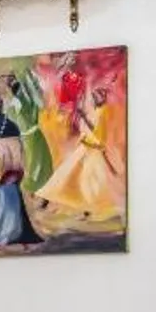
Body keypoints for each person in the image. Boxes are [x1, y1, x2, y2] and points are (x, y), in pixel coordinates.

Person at [35, 85, 124, 221]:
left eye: (97, 96)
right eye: (94, 97)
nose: (95, 99)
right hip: (86, 147)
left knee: (87, 182)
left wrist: (84, 118)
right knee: (66, 174)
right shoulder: (98, 110)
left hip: (93, 150)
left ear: (103, 98)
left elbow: (97, 132)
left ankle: (86, 210)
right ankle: (46, 199)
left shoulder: (103, 112)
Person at [0, 95, 44, 250]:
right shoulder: (11, 124)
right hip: (11, 171)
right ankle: (16, 235)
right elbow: (19, 149)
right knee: (11, 201)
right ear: (1, 106)